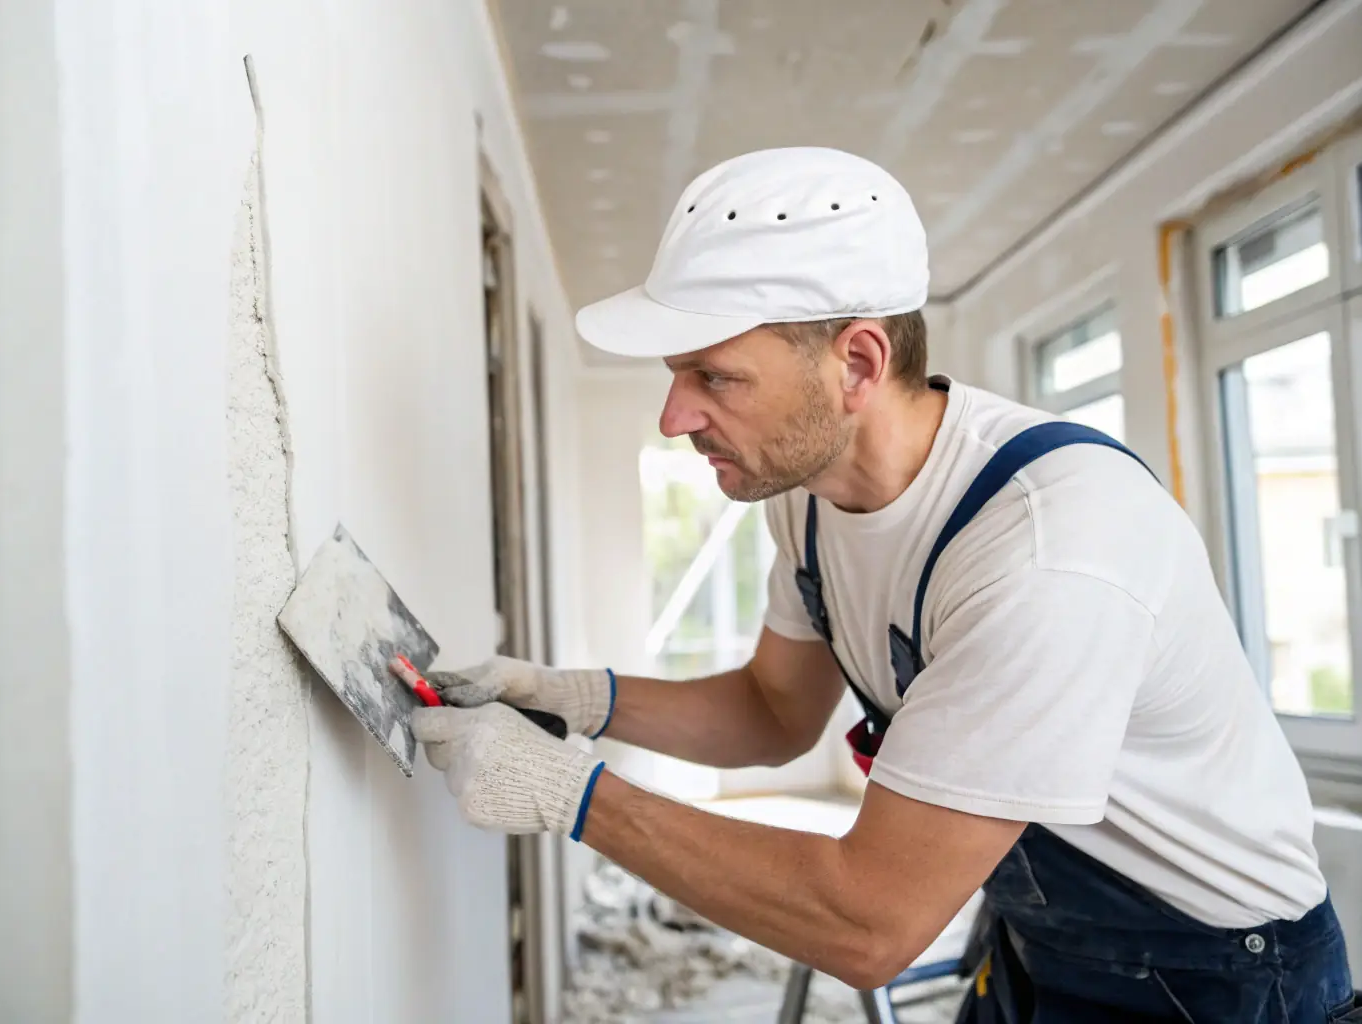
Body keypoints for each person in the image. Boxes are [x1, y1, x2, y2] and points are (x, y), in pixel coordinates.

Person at [408, 147, 1359, 1021]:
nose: (673, 415)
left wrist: (569, 795)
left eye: (713, 376)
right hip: (1040, 934)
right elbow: (771, 714)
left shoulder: (1048, 550)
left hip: (1221, 975)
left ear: (857, 362)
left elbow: (869, 924)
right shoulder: (807, 499)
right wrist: (567, 698)